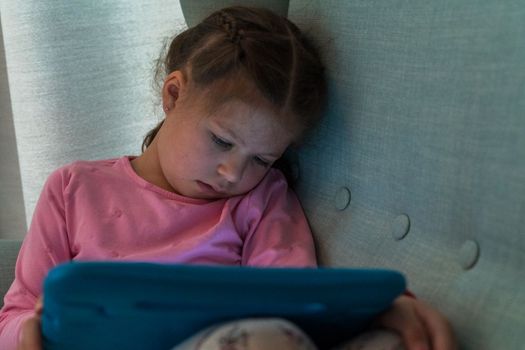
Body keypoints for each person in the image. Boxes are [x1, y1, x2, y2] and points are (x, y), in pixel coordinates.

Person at [0, 6, 456, 350]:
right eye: (221, 141)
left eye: (262, 159)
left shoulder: (261, 199)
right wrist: (35, 332)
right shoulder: (73, 189)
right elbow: (14, 315)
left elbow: (296, 301)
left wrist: (381, 309)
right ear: (174, 95)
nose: (234, 173)